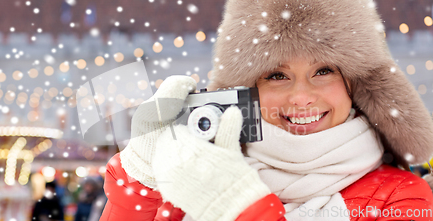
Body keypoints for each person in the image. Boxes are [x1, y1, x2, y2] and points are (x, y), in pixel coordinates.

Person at [100, 0, 433, 220]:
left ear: (358, 84)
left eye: (324, 71)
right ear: (247, 90)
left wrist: (242, 207)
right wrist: (138, 180)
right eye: (276, 75)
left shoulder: (401, 198)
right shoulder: (192, 187)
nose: (301, 97)